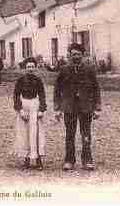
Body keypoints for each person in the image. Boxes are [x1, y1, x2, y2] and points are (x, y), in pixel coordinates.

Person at [54, 43, 102, 171]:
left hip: (85, 107)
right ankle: (69, 160)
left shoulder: (89, 69)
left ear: (83, 55)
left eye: (79, 54)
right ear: (70, 55)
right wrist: (57, 108)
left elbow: (96, 89)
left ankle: (87, 160)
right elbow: (57, 89)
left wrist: (97, 108)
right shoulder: (64, 70)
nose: (76, 56)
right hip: (69, 107)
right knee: (70, 134)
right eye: (74, 54)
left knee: (86, 134)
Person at [13, 58, 47, 170]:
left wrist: (41, 110)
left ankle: (38, 160)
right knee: (24, 133)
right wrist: (20, 110)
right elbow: (16, 95)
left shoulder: (38, 80)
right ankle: (26, 158)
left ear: (35, 68)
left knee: (36, 132)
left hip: (35, 107)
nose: (30, 69)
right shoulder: (20, 80)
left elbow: (42, 95)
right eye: (28, 67)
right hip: (24, 106)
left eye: (32, 67)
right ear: (25, 68)